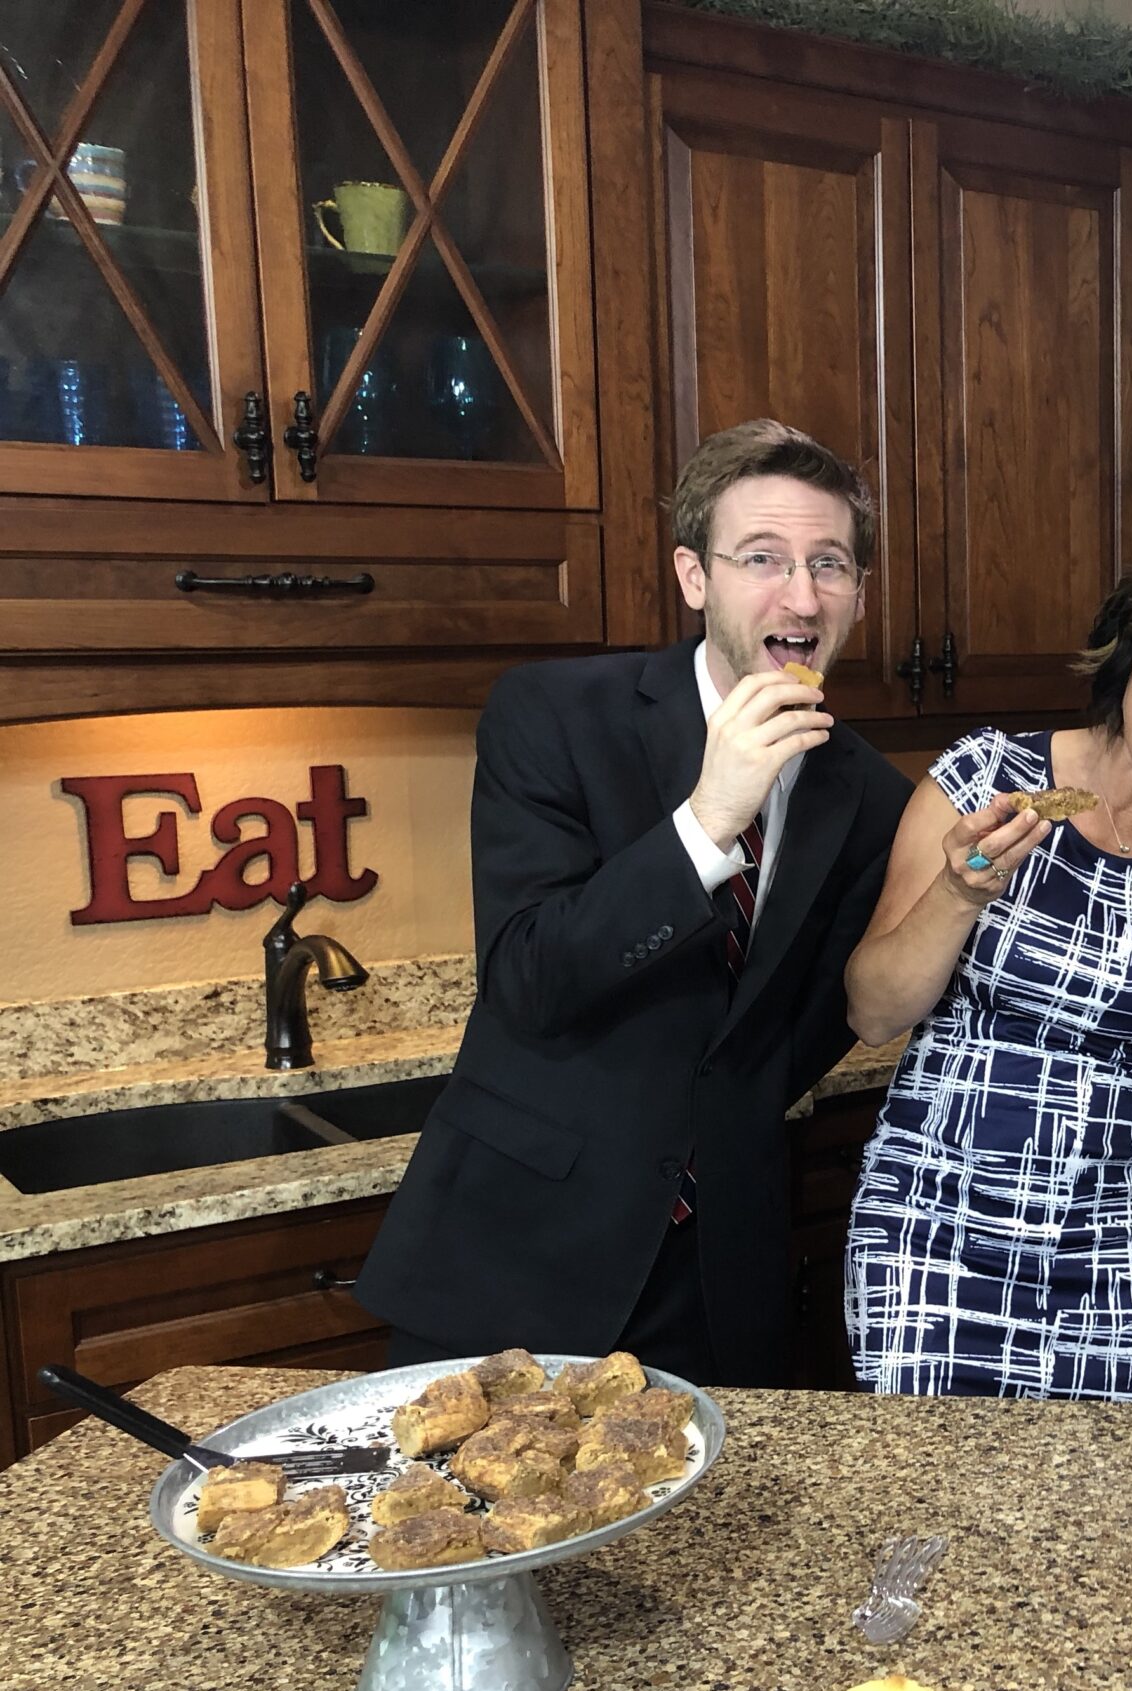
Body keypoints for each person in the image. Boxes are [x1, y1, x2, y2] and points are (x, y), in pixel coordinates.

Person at [359, 420, 912, 1386]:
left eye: (831, 564)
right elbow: (527, 978)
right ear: (696, 578)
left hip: (720, 1276)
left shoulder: (870, 798)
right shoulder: (554, 716)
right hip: (518, 1254)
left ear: (858, 594)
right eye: (764, 559)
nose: (802, 592)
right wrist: (707, 821)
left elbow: (793, 1043)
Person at [843, 525, 1132, 1400]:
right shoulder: (988, 778)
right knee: (930, 1513)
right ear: (1131, 655)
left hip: (1125, 1243)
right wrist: (957, 894)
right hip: (934, 1217)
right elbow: (873, 1012)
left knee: (1103, 1525)